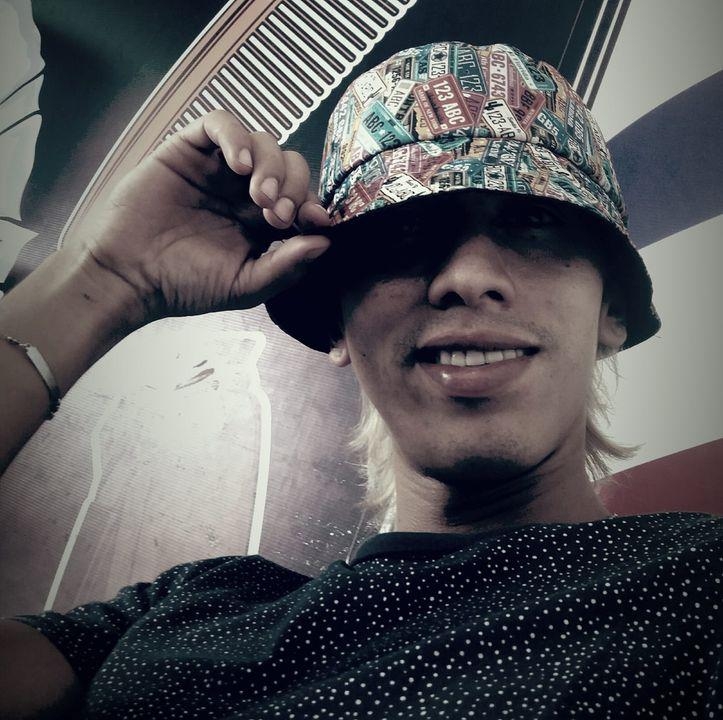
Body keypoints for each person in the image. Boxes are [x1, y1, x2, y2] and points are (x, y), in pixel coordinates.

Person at [0, 41, 719, 719]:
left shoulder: (698, 586)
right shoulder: (184, 613)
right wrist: (104, 278)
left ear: (613, 311)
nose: (468, 276)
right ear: (337, 320)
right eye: (403, 230)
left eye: (533, 221)